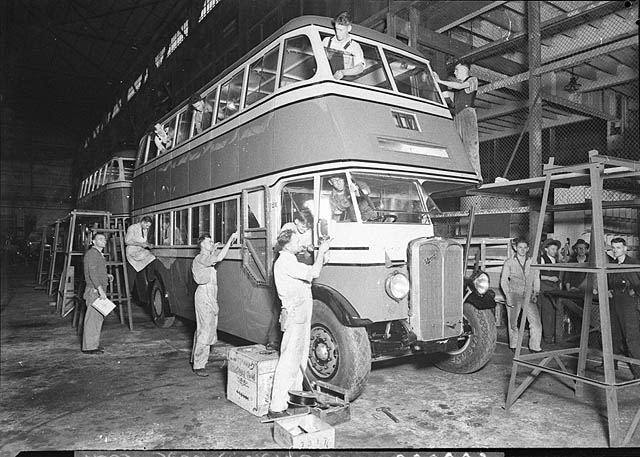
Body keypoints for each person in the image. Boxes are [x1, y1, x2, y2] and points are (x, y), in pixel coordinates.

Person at [267, 230, 331, 419]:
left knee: (299, 361)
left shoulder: (291, 261)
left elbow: (314, 268)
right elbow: (314, 271)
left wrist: (323, 252)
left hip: (300, 316)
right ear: (287, 245)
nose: (300, 243)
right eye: (297, 240)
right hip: (294, 316)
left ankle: (293, 401)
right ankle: (276, 408)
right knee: (288, 362)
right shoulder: (285, 263)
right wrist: (320, 253)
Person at [191, 231, 239, 377]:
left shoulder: (205, 258)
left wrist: (215, 248)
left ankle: (197, 358)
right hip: (204, 295)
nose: (211, 243)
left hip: (210, 295)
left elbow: (214, 256)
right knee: (205, 330)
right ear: (201, 244)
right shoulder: (201, 257)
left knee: (205, 327)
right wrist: (230, 239)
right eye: (209, 242)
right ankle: (199, 365)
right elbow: (218, 258)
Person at [434, 63, 481, 180]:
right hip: (457, 115)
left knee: (470, 145)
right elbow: (447, 95)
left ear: (465, 69)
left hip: (467, 114)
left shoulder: (472, 80)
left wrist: (440, 81)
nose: (455, 73)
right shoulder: (456, 90)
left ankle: (476, 176)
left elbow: (461, 87)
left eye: (456, 70)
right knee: (458, 146)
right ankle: (463, 174)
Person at [500, 237, 542, 353]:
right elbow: (504, 281)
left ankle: (535, 347)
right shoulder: (509, 262)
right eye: (520, 247)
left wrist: (536, 292)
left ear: (528, 248)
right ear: (515, 248)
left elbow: (536, 278)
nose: (522, 250)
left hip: (528, 294)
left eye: (524, 248)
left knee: (536, 322)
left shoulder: (532, 261)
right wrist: (508, 296)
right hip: (514, 294)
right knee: (513, 322)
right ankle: (514, 345)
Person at [607, 237, 640, 379]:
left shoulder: (633, 263)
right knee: (613, 335)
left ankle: (638, 372)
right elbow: (609, 282)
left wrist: (635, 292)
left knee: (631, 338)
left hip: (629, 304)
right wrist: (608, 290)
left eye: (618, 247)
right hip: (615, 302)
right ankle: (610, 365)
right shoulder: (612, 264)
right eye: (613, 247)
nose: (615, 250)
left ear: (625, 248)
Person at [82, 232, 112, 354]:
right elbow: (92, 273)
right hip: (94, 291)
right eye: (100, 239)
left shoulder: (98, 254)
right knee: (92, 320)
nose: (103, 241)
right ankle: (89, 347)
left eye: (104, 239)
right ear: (93, 242)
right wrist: (100, 290)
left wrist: (106, 275)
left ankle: (93, 345)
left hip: (97, 290)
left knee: (97, 319)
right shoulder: (92, 253)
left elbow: (96, 271)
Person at [322, 11, 365, 81]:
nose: (337, 33)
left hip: (343, 84)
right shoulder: (326, 42)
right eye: (336, 29)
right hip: (325, 80)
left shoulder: (354, 47)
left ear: (349, 28)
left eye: (341, 30)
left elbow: (360, 68)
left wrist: (343, 72)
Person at [539, 238, 563, 344]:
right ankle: (547, 338)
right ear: (546, 249)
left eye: (556, 249)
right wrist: (549, 278)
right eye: (552, 249)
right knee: (547, 313)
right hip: (546, 288)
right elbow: (537, 275)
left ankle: (557, 337)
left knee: (556, 312)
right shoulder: (542, 259)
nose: (554, 251)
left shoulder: (557, 261)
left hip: (555, 288)